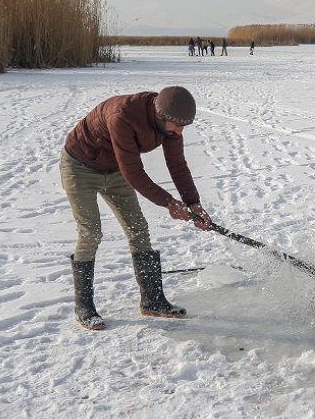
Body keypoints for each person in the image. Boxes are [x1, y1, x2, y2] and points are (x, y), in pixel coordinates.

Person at [60, 86, 213, 330]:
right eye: (178, 126)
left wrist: (193, 202)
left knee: (138, 228)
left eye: (184, 127)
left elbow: (177, 165)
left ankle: (152, 300)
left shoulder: (170, 121)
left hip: (115, 170)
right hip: (81, 168)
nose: (180, 132)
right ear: (161, 117)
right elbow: (133, 172)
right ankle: (84, 307)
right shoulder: (122, 115)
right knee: (91, 233)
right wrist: (169, 203)